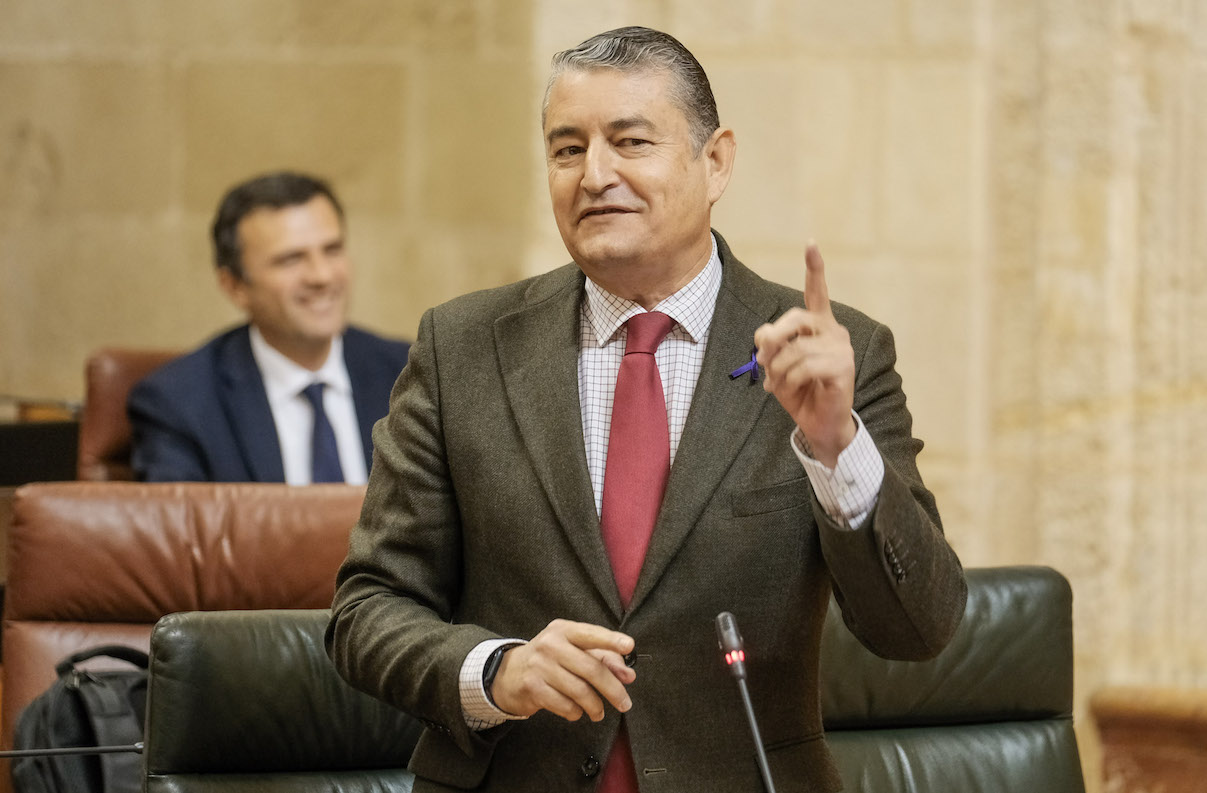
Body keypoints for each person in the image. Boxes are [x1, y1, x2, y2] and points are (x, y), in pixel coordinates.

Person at [327, 27, 966, 792]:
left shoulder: (831, 353)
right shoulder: (461, 347)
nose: (595, 174)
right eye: (567, 150)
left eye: (630, 142)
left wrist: (837, 447)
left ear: (716, 159)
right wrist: (495, 670)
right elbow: (368, 609)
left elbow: (918, 626)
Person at [127, 171, 410, 483]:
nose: (322, 276)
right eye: (291, 259)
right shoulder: (180, 403)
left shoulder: (413, 377)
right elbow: (178, 529)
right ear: (234, 286)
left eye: (332, 250)